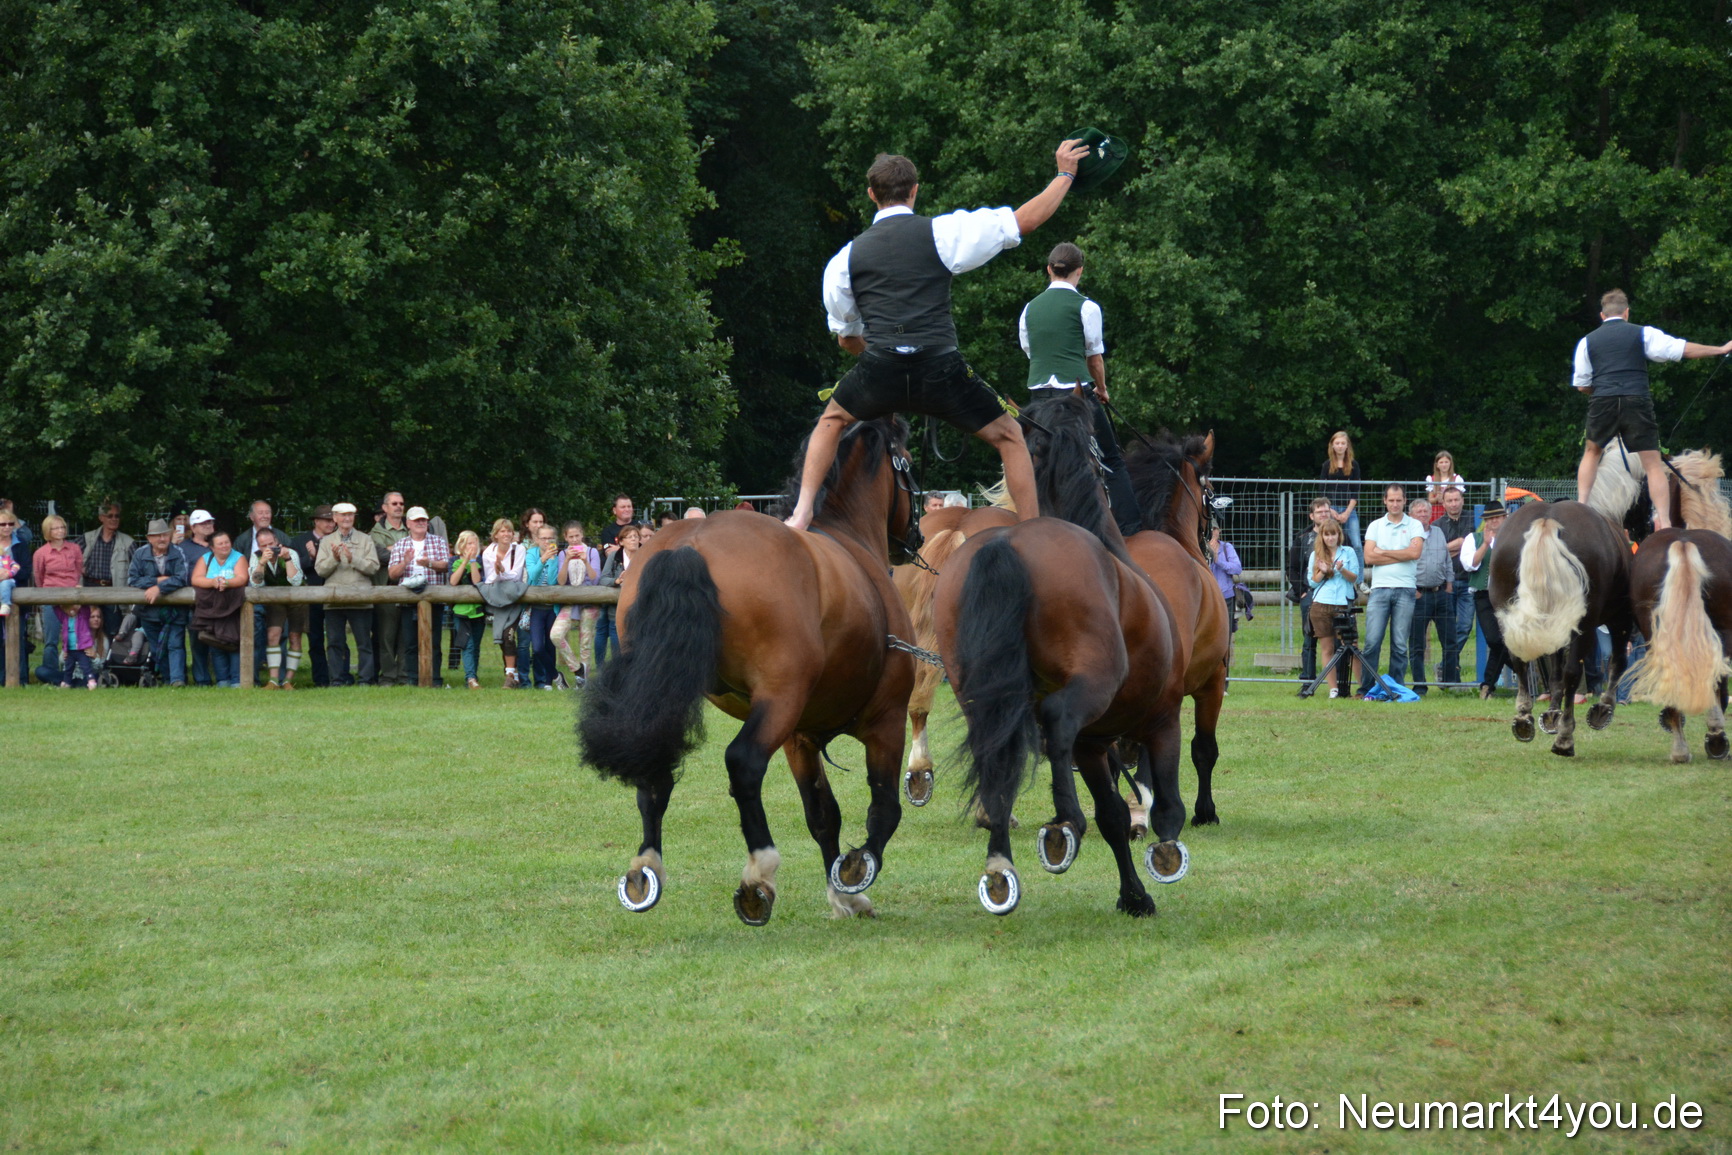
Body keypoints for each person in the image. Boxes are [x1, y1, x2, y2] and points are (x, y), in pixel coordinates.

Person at [783, 138, 1092, 533]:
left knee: (832, 420)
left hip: (881, 368)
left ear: (871, 195)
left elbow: (846, 338)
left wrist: (879, 361)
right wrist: (1065, 174)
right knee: (1011, 436)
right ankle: (1031, 531)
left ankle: (802, 513)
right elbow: (1025, 220)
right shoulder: (943, 233)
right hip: (940, 367)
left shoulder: (844, 259)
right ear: (914, 191)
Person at [1573, 288, 1732, 530]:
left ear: (1602, 316)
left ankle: (1582, 507)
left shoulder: (1587, 341)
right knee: (1653, 464)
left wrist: (1604, 390)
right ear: (1626, 312)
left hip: (1602, 401)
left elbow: (1582, 385)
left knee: (1592, 453)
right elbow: (1681, 349)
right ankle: (1664, 521)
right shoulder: (1642, 333)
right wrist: (1720, 349)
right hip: (1637, 401)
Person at [1018, 241, 1140, 535]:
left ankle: (1028, 520)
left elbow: (1030, 350)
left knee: (1032, 462)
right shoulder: (1086, 307)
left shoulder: (1029, 309)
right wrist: (1102, 389)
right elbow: (1094, 359)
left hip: (1038, 401)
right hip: (1075, 399)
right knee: (1111, 460)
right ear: (1079, 271)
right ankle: (1132, 530)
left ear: (1049, 269)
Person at [1357, 485, 1426, 696]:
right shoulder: (1375, 526)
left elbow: (1415, 553)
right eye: (1391, 500)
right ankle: (1367, 688)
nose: (1395, 504)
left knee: (1399, 644)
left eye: (1399, 500)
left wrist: (1383, 552)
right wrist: (1401, 553)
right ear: (1384, 501)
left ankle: (1395, 688)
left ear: (1405, 501)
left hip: (1405, 589)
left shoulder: (1415, 525)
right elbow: (1369, 557)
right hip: (1379, 590)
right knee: (1372, 642)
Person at [315, 502, 380, 686]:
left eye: (350, 515)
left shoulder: (365, 539)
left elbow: (373, 567)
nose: (347, 518)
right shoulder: (327, 541)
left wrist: (353, 559)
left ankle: (366, 680)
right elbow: (320, 570)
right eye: (343, 515)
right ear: (335, 518)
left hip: (360, 599)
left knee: (364, 643)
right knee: (335, 643)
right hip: (333, 599)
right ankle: (336, 680)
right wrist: (334, 559)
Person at [1459, 500, 1514, 700]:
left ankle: (1487, 686)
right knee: (1495, 639)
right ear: (1485, 521)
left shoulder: (1512, 538)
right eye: (1490, 518)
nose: (1494, 522)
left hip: (1508, 596)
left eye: (1497, 518)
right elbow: (1470, 565)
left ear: (1504, 518)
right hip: (1484, 594)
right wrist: (1484, 544)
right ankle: (1524, 672)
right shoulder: (1473, 539)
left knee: (1507, 640)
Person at [389, 507, 450, 687]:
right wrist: (405, 562)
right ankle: (413, 679)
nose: (421, 523)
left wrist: (429, 563)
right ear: (408, 524)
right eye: (417, 520)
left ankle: (435, 679)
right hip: (408, 600)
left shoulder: (438, 541)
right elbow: (392, 574)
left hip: (434, 599)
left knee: (435, 642)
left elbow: (446, 565)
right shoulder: (400, 545)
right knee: (410, 643)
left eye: (423, 520)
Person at [126, 517, 190, 685]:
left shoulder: (178, 552)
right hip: (149, 611)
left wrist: (159, 589)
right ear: (149, 538)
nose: (161, 539)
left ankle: (177, 680)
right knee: (156, 649)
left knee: (175, 645)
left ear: (169, 535)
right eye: (157, 536)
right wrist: (158, 582)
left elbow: (182, 578)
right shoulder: (140, 554)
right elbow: (133, 580)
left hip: (175, 610)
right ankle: (168, 679)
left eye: (164, 535)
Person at [1404, 497, 1457, 695]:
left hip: (1441, 593)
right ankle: (1420, 685)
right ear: (1411, 515)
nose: (1423, 515)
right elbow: (1403, 564)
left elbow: (1447, 559)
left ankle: (1450, 683)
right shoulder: (1407, 535)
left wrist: (1449, 583)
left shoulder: (1438, 532)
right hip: (1419, 595)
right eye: (1419, 512)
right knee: (1417, 644)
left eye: (1426, 512)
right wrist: (1413, 588)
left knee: (1450, 640)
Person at [1306, 518, 1362, 698]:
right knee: (1327, 648)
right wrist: (1322, 571)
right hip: (1321, 604)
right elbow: (1311, 583)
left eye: (1333, 534)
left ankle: (1362, 687)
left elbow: (1354, 577)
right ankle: (1333, 689)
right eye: (1327, 534)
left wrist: (1342, 569)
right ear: (1321, 536)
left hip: (1344, 604)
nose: (1330, 538)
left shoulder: (1349, 552)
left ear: (1339, 535)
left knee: (1352, 646)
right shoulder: (1316, 554)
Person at [33, 515, 90, 687]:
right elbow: (38, 577)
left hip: (73, 597)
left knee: (77, 637)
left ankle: (82, 674)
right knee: (51, 640)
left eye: (62, 527)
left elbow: (78, 570)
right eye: (55, 528)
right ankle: (52, 677)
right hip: (51, 598)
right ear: (47, 532)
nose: (60, 531)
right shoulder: (40, 553)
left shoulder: (74, 549)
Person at [1287, 496, 1337, 684]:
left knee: (1337, 639)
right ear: (1312, 516)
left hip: (1335, 595)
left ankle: (1337, 681)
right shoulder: (1302, 539)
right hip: (1310, 594)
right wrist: (1302, 591)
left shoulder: (1341, 537)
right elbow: (1291, 568)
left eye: (1326, 511)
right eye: (1319, 512)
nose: (1324, 515)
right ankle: (1308, 679)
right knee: (1309, 639)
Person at [248, 526, 306, 689]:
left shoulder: (290, 553)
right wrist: (261, 563)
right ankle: (273, 680)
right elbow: (255, 584)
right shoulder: (256, 557)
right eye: (263, 545)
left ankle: (288, 680)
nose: (268, 548)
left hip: (297, 599)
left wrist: (287, 559)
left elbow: (295, 581)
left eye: (271, 544)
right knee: (273, 635)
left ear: (277, 542)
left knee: (295, 637)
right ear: (258, 546)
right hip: (274, 599)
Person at [189, 531, 246, 687]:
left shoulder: (239, 557)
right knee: (215, 643)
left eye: (227, 542)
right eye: (220, 543)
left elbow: (241, 578)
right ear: (212, 547)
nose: (224, 546)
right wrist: (213, 582)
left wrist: (226, 583)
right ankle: (222, 680)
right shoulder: (205, 559)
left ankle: (236, 680)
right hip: (212, 609)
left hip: (233, 608)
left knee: (233, 643)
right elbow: (196, 579)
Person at [549, 520, 600, 687]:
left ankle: (583, 681)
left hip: (589, 601)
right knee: (556, 634)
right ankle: (577, 669)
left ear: (582, 535)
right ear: (566, 537)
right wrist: (566, 561)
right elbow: (561, 581)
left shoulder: (592, 552)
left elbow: (595, 579)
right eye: (571, 537)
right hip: (571, 600)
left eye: (577, 535)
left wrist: (585, 561)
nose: (575, 539)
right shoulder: (563, 554)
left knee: (585, 643)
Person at [1434, 487, 1476, 682]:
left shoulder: (1474, 519)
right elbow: (1436, 553)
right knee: (1449, 629)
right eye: (1449, 501)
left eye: (1456, 500)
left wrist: (1454, 548)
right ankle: (1451, 674)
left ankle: (1444, 665)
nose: (1453, 504)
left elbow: (1475, 545)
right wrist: (1459, 543)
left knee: (1465, 626)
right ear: (1443, 503)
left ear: (1462, 500)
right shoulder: (1437, 526)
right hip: (1447, 584)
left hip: (1469, 582)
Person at [291, 506, 336, 686]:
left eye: (333, 520)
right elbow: (293, 567)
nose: (331, 524)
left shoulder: (338, 539)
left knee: (336, 639)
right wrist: (311, 558)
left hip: (335, 595)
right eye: (327, 520)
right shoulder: (300, 540)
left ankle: (339, 677)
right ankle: (321, 679)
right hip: (311, 597)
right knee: (315, 639)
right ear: (316, 521)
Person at [482, 517, 528, 688]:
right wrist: (499, 572)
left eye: (509, 530)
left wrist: (502, 571)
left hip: (514, 595)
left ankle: (510, 675)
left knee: (509, 634)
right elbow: (490, 579)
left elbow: (516, 575)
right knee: (502, 635)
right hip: (497, 597)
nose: (506, 534)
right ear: (495, 535)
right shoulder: (488, 552)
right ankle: (512, 674)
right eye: (503, 531)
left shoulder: (520, 549)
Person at [369, 492, 409, 685]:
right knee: (386, 637)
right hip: (385, 589)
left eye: (401, 503)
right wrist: (402, 552)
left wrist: (393, 549)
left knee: (406, 636)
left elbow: (417, 552)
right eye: (394, 503)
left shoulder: (410, 528)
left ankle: (403, 676)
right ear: (384, 508)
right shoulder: (374, 534)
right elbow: (381, 556)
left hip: (409, 589)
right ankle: (388, 677)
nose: (398, 506)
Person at [178, 510, 218, 686]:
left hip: (220, 603)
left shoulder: (220, 545)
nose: (208, 525)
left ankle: (223, 679)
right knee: (197, 643)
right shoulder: (183, 548)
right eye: (203, 523)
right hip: (195, 604)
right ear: (193, 527)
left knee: (221, 642)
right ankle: (202, 680)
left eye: (210, 522)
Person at [523, 523, 565, 689]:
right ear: (537, 539)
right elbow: (532, 576)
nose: (547, 541)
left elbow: (555, 581)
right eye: (544, 538)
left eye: (550, 538)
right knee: (538, 647)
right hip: (536, 608)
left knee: (549, 645)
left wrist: (553, 560)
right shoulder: (531, 553)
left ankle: (548, 682)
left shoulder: (558, 556)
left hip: (552, 608)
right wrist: (543, 558)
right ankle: (556, 675)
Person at [596, 523, 642, 666]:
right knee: (617, 640)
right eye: (629, 537)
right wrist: (617, 580)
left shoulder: (644, 555)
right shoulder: (614, 557)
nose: (633, 540)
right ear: (621, 541)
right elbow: (603, 579)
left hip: (639, 606)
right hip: (615, 606)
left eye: (635, 537)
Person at [448, 531, 487, 689]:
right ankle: (470, 678)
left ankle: (473, 677)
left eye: (475, 543)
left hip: (478, 610)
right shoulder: (453, 561)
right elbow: (453, 581)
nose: (473, 546)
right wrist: (464, 562)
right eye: (470, 543)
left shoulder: (479, 561)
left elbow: (477, 581)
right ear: (462, 545)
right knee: (467, 645)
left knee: (476, 645)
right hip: (461, 611)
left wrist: (472, 561)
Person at [0, 508, 31, 684]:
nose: (6, 527)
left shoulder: (21, 545)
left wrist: (8, 575)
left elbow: (25, 571)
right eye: (2, 524)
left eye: (10, 524)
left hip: (17, 597)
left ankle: (22, 678)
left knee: (18, 639)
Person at [1320, 431, 1362, 552]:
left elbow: (1356, 491)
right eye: (1337, 443)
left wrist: (1347, 512)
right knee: (1329, 543)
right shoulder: (1326, 465)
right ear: (1332, 445)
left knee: (1357, 544)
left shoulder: (1354, 465)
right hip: (1330, 508)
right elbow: (1321, 490)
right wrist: (1330, 510)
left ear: (1347, 445)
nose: (1340, 446)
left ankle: (1357, 571)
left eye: (1342, 443)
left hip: (1349, 509)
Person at [1208, 526, 1243, 671]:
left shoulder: (1227, 548)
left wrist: (1218, 560)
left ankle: (1224, 682)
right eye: (1209, 528)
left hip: (1226, 598)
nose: (1212, 532)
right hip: (1207, 600)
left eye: (1214, 528)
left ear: (1219, 531)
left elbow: (1237, 568)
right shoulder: (1196, 547)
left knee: (1224, 640)